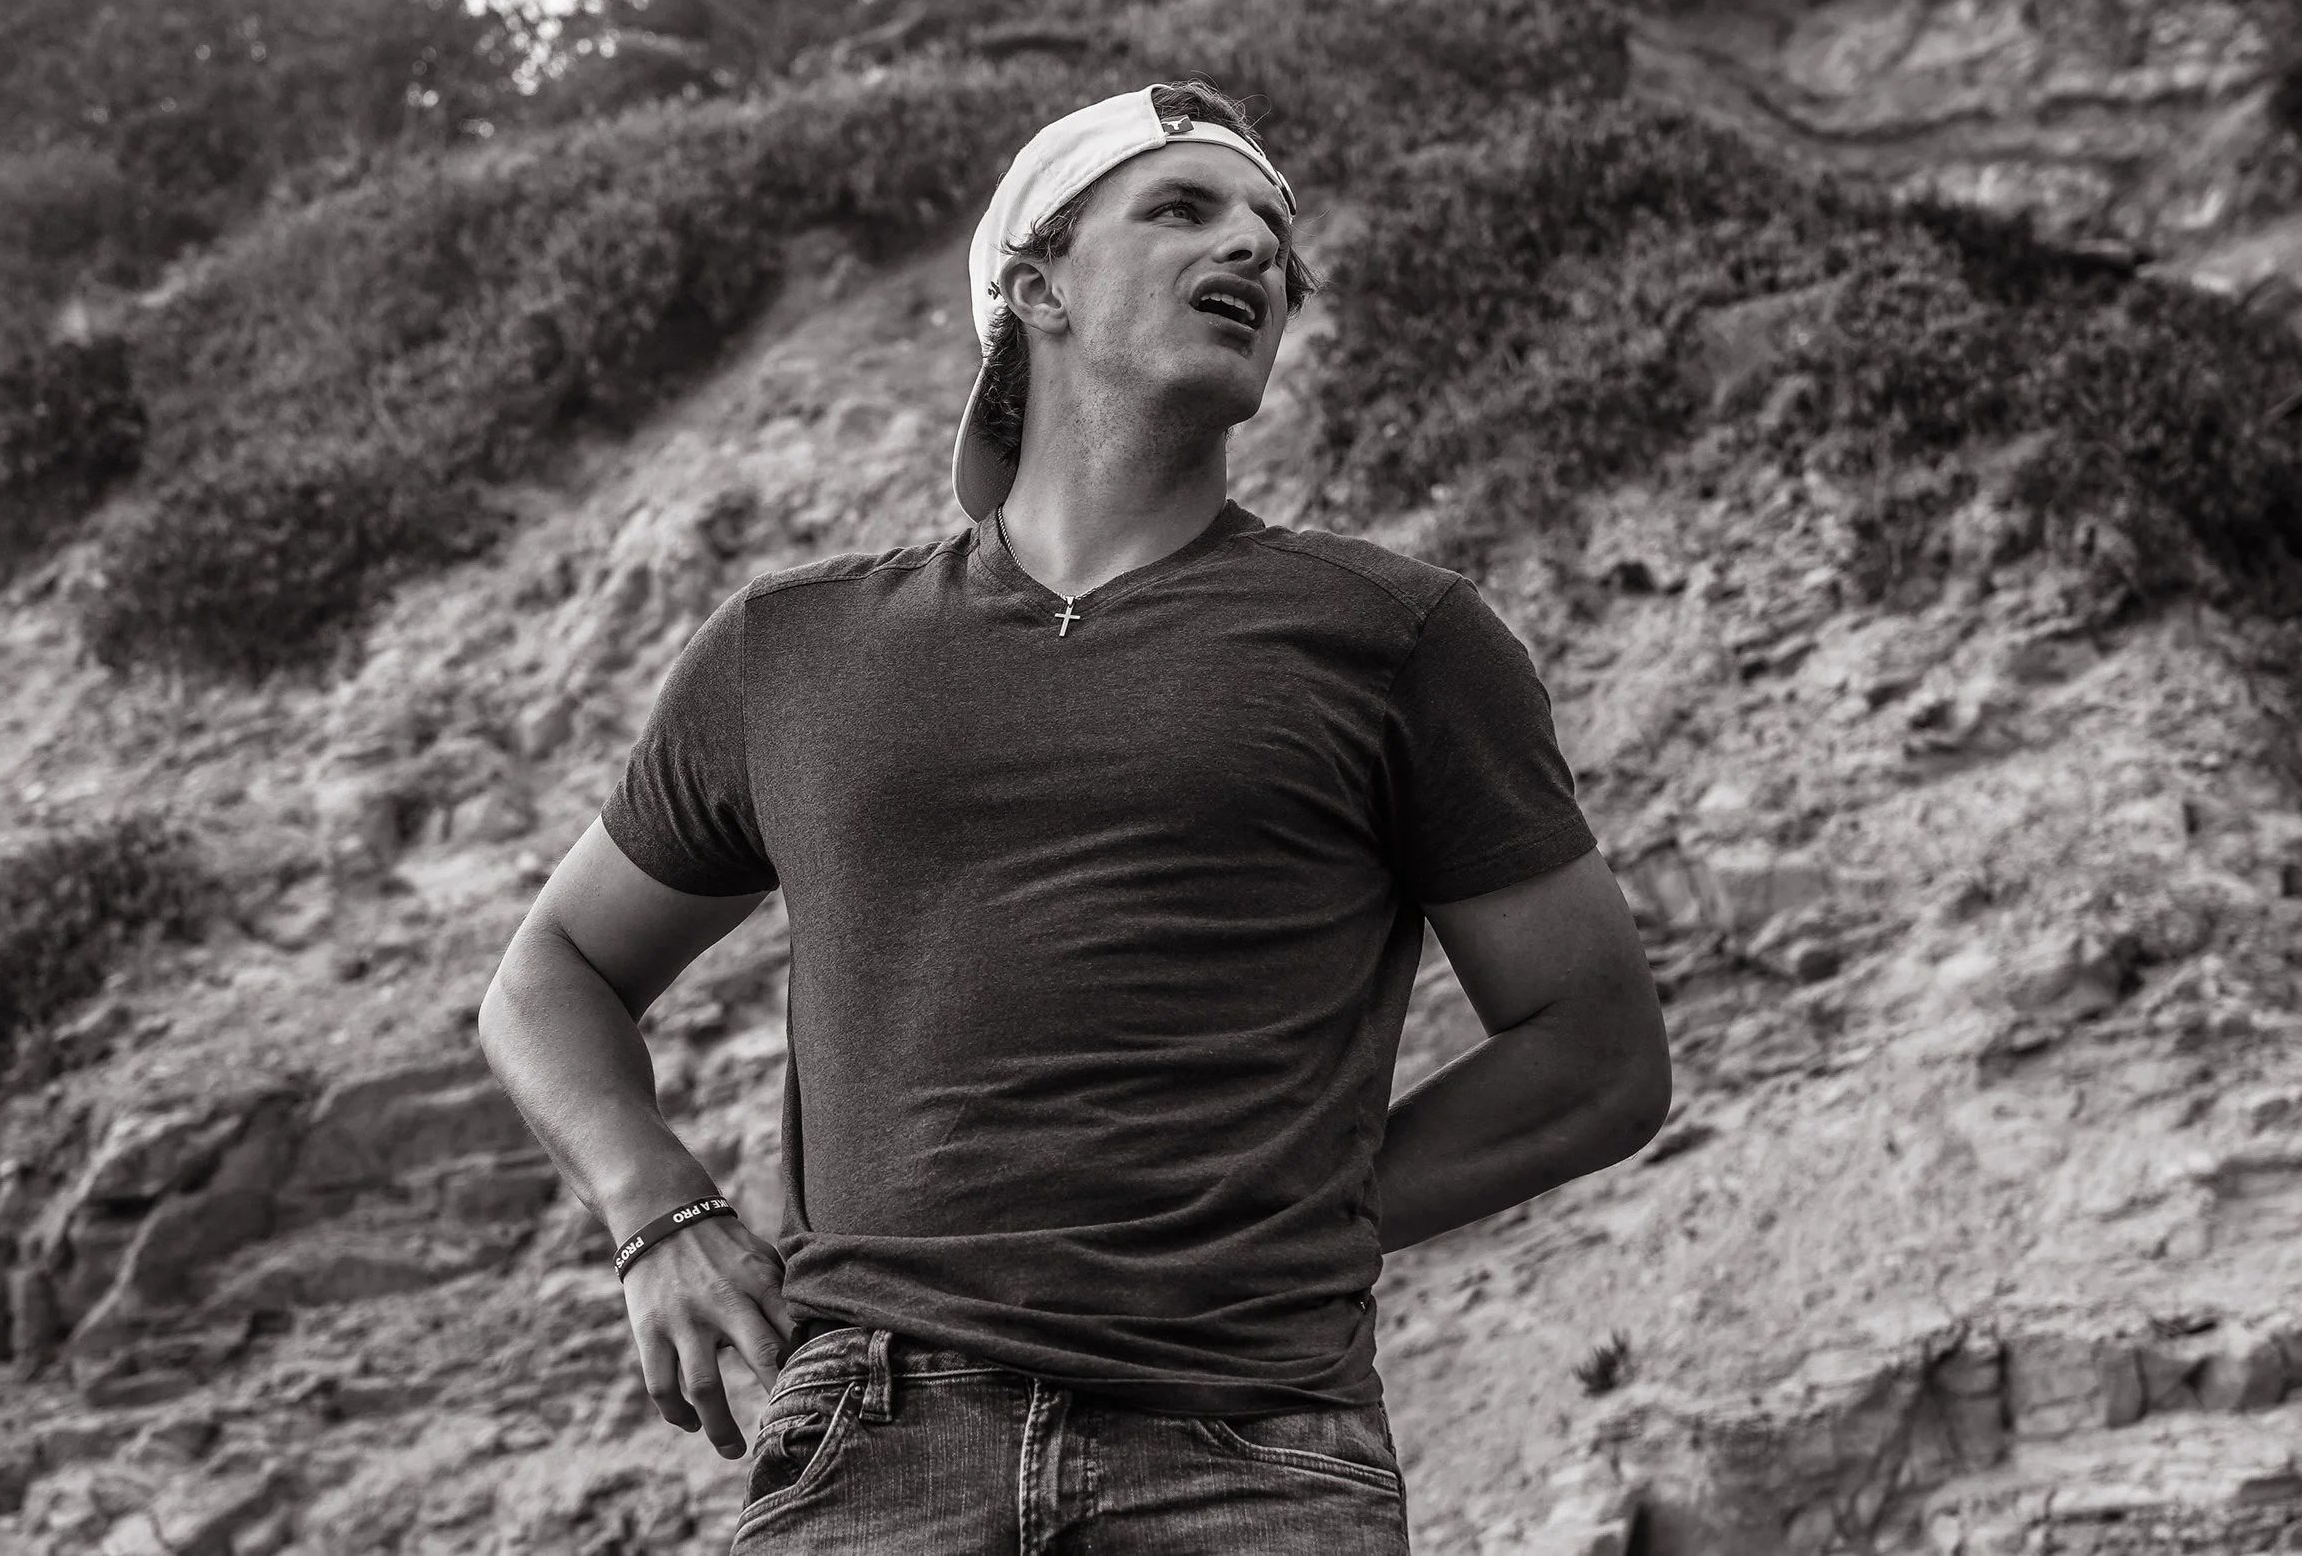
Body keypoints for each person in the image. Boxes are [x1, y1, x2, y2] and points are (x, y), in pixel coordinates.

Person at [478, 78, 1671, 1554]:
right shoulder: (790, 649)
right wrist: (653, 1208)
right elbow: (548, 975)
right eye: (1183, 208)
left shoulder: (1398, 635)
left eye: (1273, 240)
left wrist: (1290, 1214)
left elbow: (1598, 1053)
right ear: (1033, 284)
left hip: (1253, 1448)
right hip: (871, 1443)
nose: (1252, 251)